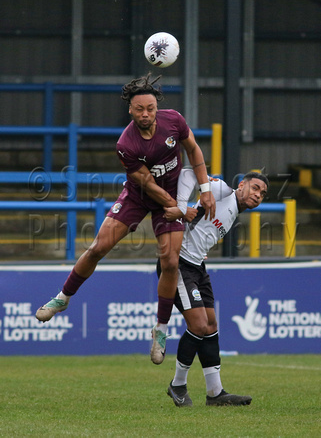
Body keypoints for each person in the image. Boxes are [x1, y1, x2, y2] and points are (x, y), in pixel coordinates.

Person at [35, 73, 216, 365]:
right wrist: (179, 209)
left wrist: (204, 188)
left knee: (170, 261)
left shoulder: (174, 121)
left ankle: (160, 329)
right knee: (97, 247)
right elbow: (146, 183)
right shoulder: (126, 144)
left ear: (157, 108)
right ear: (130, 110)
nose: (146, 114)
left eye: (150, 108)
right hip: (139, 195)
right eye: (139, 109)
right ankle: (63, 297)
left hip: (171, 197)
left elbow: (193, 149)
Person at [158, 168, 269, 406]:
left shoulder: (233, 210)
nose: (259, 195)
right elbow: (189, 174)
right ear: (241, 186)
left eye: (263, 193)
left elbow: (201, 228)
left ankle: (215, 393)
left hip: (196, 266)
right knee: (198, 325)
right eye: (255, 188)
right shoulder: (222, 190)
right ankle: (177, 384)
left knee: (210, 326)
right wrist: (181, 208)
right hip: (179, 264)